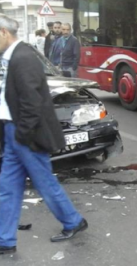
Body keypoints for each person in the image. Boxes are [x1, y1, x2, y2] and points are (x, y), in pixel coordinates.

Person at [0, 15, 87, 255]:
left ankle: (73, 221)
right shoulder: (10, 57)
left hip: (25, 133)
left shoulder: (23, 58)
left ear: (3, 32)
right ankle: (5, 240)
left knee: (44, 182)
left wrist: (23, 134)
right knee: (7, 187)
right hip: (12, 130)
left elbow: (33, 102)